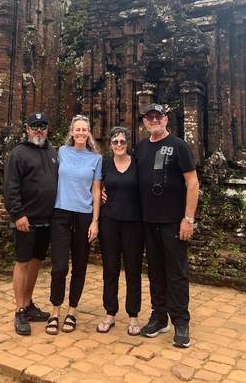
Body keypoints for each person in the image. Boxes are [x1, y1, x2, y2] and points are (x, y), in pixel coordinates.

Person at [135, 103, 199, 349]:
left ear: (166, 120)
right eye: (150, 117)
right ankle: (159, 316)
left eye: (158, 116)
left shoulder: (179, 146)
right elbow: (129, 177)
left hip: (173, 221)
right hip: (148, 221)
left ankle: (181, 321)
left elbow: (192, 183)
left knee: (177, 272)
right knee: (155, 271)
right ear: (144, 122)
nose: (154, 120)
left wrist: (188, 218)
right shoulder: (140, 148)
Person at [45, 115, 102, 335]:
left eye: (84, 130)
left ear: (89, 133)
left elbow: (96, 191)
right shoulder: (61, 152)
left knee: (79, 266)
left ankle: (72, 310)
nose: (80, 133)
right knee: (59, 267)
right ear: (72, 132)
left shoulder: (95, 159)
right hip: (61, 213)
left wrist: (95, 221)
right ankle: (55, 311)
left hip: (84, 216)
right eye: (77, 129)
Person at [3, 112, 58, 336]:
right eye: (34, 126)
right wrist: (18, 214)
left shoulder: (53, 152)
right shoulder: (18, 154)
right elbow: (10, 186)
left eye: (42, 126)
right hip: (26, 219)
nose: (38, 129)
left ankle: (28, 303)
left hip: (47, 219)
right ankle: (19, 310)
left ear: (47, 129)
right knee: (23, 262)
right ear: (26, 129)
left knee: (36, 262)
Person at [97, 126, 144, 336]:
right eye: (115, 141)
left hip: (134, 223)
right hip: (110, 222)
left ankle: (133, 315)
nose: (118, 145)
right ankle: (110, 313)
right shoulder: (105, 164)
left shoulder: (137, 163)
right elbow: (96, 188)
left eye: (122, 141)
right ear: (110, 144)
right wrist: (100, 195)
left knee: (133, 270)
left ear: (128, 144)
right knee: (110, 269)